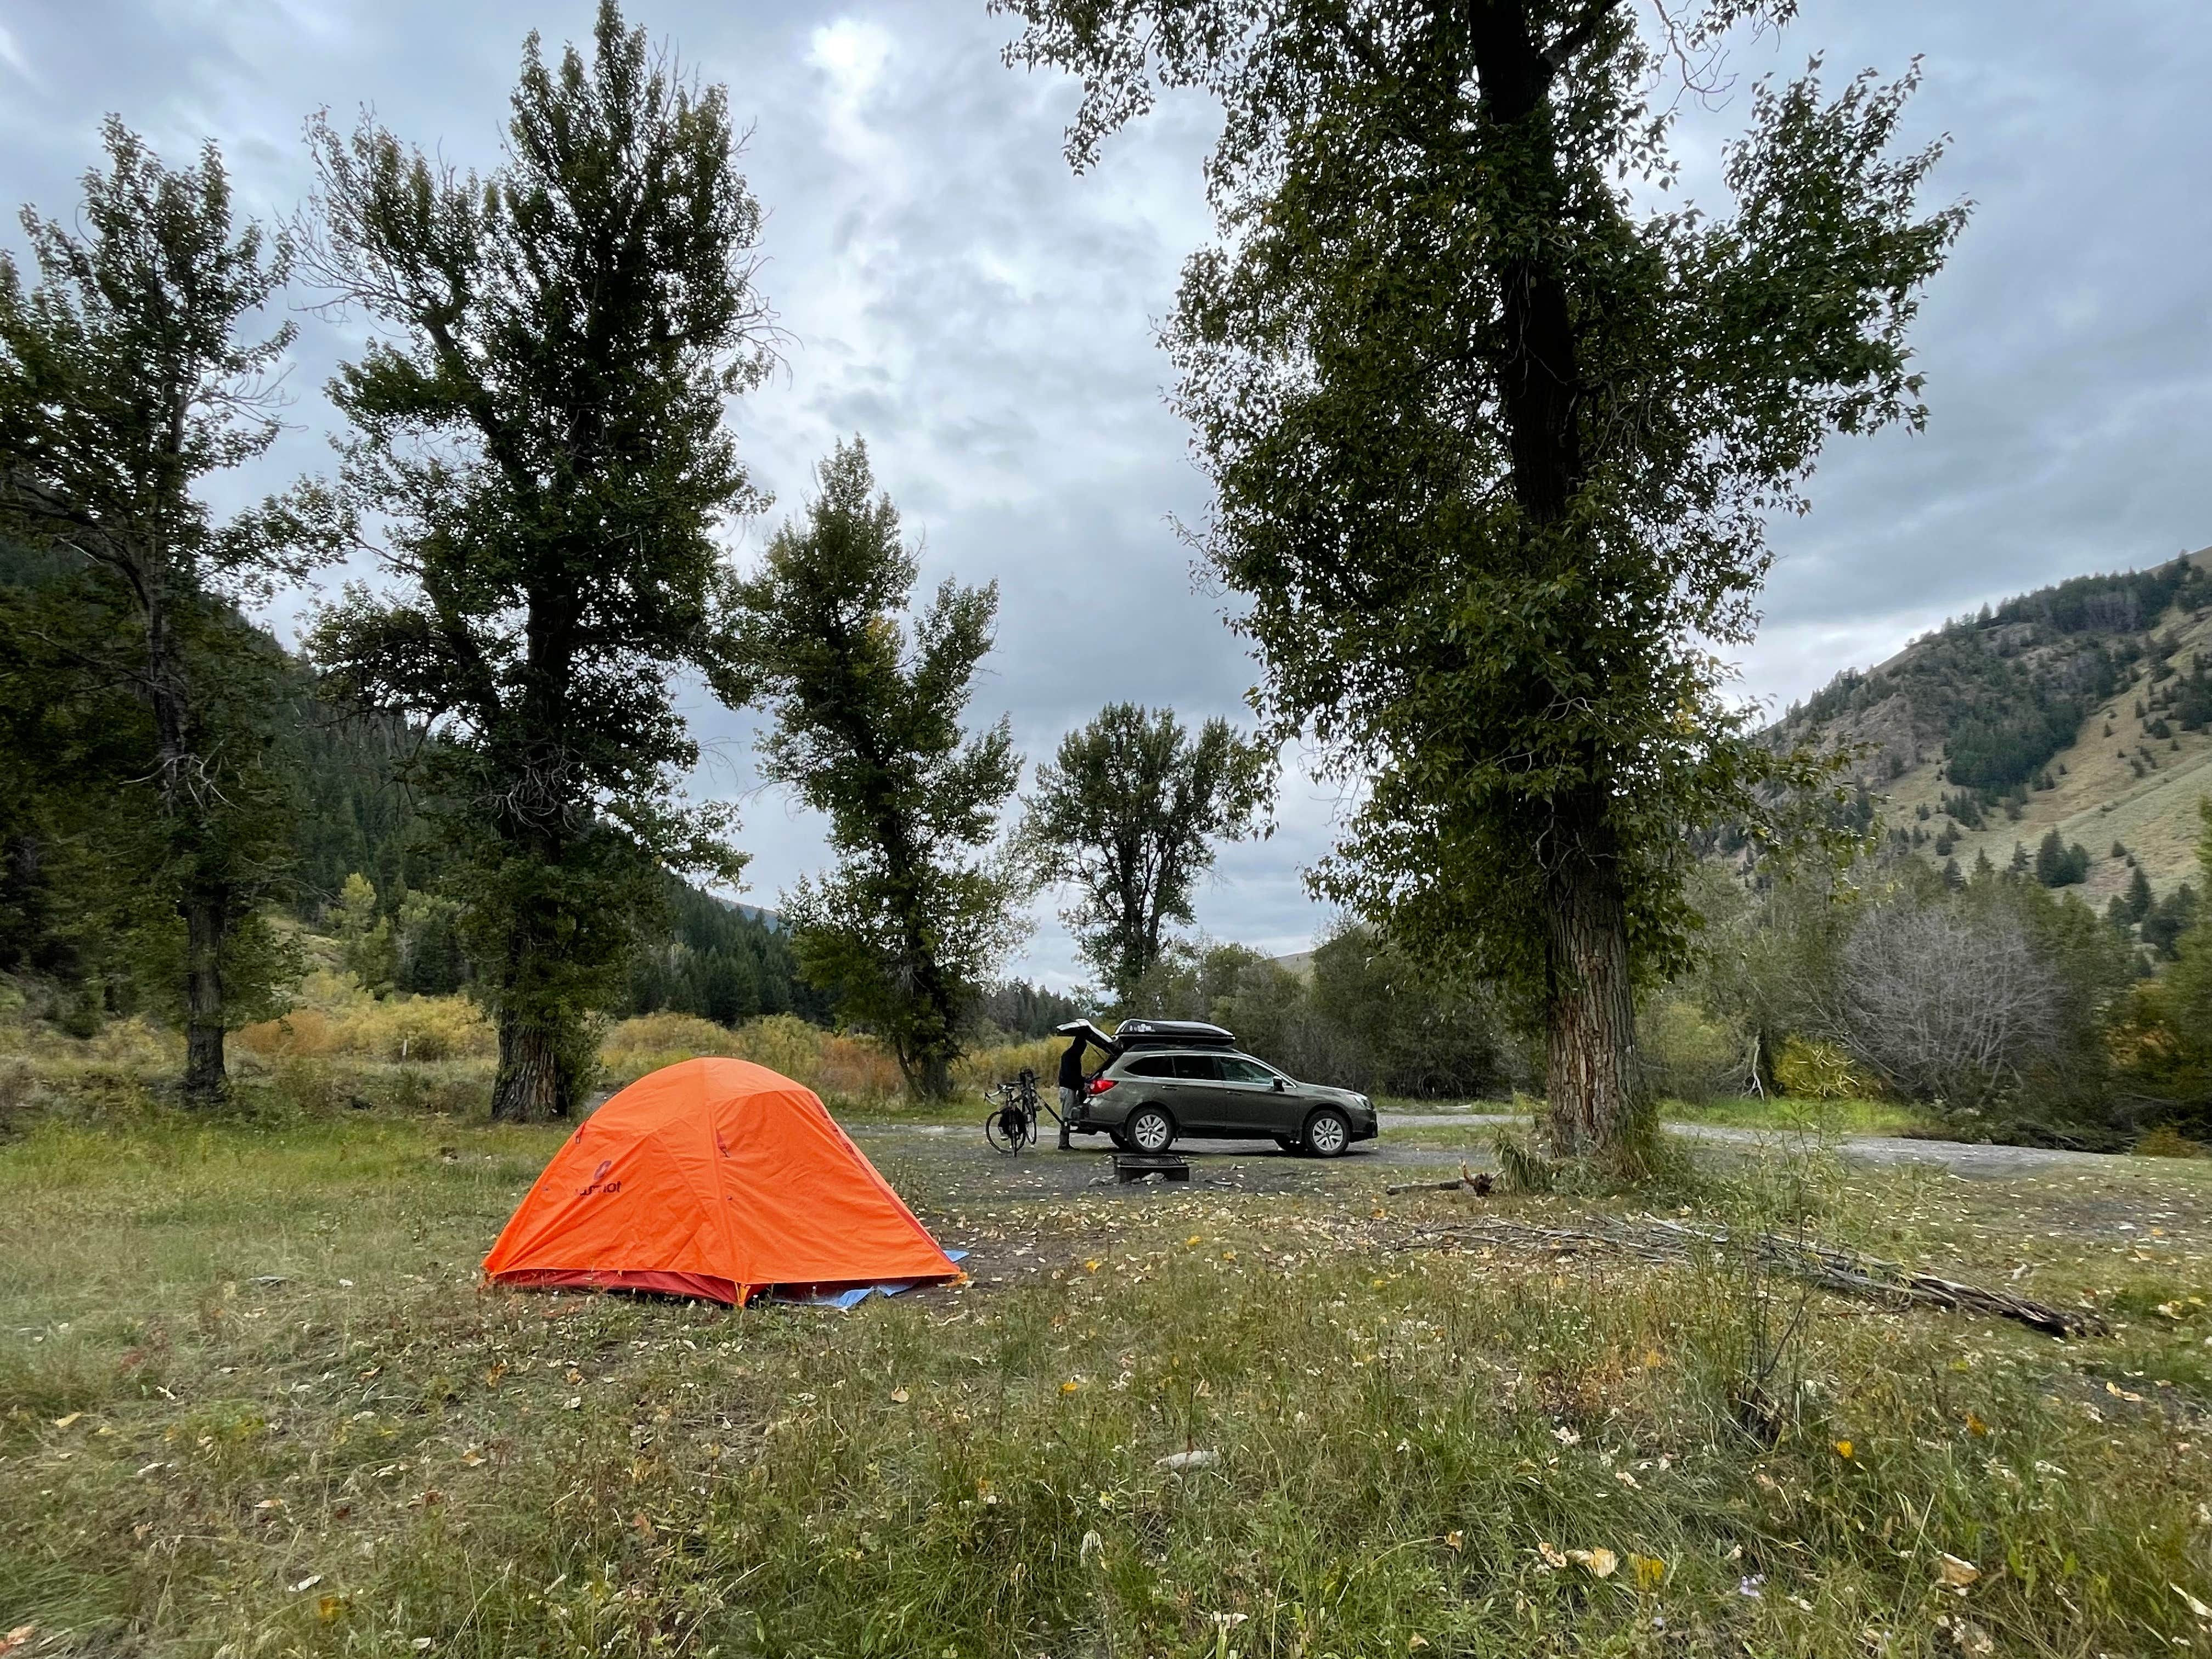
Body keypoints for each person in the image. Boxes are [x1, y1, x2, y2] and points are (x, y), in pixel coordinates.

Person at [1053, 1019, 1115, 1149]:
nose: (1083, 1051)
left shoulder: (1070, 1055)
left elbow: (1074, 1076)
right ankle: (1063, 1144)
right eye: (1083, 1049)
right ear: (1079, 1047)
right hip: (1067, 1089)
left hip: (1069, 1087)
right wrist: (1083, 1085)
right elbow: (1071, 1077)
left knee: (1068, 1115)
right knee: (1066, 1116)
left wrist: (1083, 1081)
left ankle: (1065, 1143)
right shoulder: (1071, 1057)